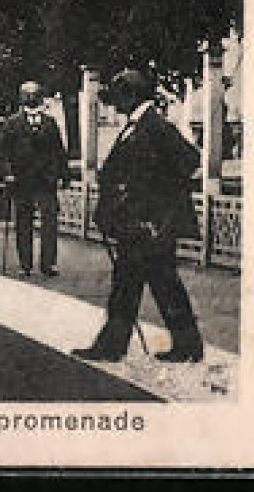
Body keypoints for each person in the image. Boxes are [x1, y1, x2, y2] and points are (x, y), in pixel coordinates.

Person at [73, 69, 205, 363]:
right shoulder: (136, 124)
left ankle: (181, 346)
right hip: (136, 226)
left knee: (157, 284)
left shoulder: (155, 125)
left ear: (131, 94)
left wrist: (155, 205)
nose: (113, 101)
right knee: (134, 284)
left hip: (151, 226)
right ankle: (119, 345)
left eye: (118, 94)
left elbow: (189, 161)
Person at [0, 81, 68, 277]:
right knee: (23, 222)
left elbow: (59, 151)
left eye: (34, 94)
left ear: (41, 97)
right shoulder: (12, 123)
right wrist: (7, 173)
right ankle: (25, 264)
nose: (30, 97)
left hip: (46, 180)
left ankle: (48, 264)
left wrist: (63, 175)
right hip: (22, 180)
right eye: (26, 94)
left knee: (50, 221)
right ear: (20, 97)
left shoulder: (50, 123)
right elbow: (3, 152)